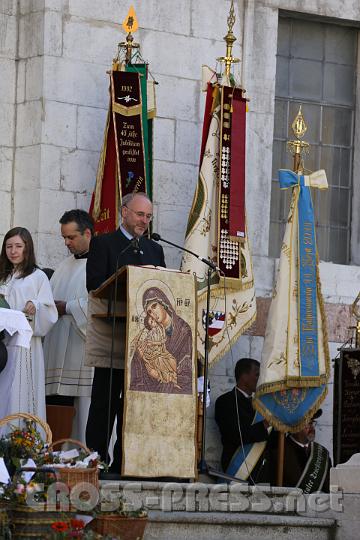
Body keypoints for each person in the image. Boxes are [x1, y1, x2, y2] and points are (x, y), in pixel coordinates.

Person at [85, 192, 165, 473]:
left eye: (149, 216)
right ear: (124, 212)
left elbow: (162, 288)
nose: (144, 221)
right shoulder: (104, 244)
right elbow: (94, 283)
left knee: (134, 405)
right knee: (105, 404)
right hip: (112, 335)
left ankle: (125, 463)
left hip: (144, 341)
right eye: (140, 214)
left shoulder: (155, 249)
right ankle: (95, 461)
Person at [44, 210, 94, 442]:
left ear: (87, 233)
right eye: (64, 238)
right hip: (58, 347)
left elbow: (102, 304)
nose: (66, 243)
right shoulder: (63, 266)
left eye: (71, 237)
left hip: (82, 350)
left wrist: (69, 307)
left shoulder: (100, 263)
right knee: (58, 408)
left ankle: (85, 458)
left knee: (84, 410)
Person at [0, 227, 57, 420]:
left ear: (27, 248)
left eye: (18, 246)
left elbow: (50, 311)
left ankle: (20, 440)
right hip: (3, 344)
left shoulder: (37, 276)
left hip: (24, 346)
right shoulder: (3, 276)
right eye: (9, 246)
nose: (13, 251)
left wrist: (36, 305)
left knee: (19, 391)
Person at [215, 358, 272, 483]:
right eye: (257, 374)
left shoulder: (261, 405)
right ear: (244, 376)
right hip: (237, 470)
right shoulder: (225, 401)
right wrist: (264, 425)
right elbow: (234, 434)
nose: (260, 379)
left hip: (262, 472)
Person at [130, 287, 193, 394]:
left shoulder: (183, 330)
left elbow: (186, 369)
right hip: (152, 384)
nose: (152, 313)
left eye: (154, 306)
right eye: (149, 311)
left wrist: (163, 376)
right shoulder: (150, 331)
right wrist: (140, 356)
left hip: (175, 387)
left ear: (163, 303)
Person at [275, 409, 331, 493]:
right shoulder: (278, 451)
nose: (312, 428)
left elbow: (327, 488)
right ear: (294, 427)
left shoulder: (322, 453)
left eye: (312, 423)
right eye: (307, 424)